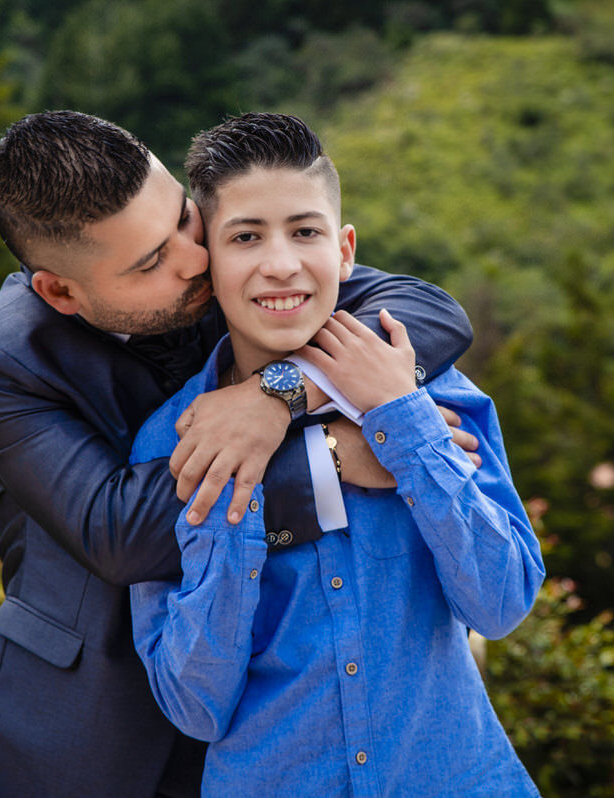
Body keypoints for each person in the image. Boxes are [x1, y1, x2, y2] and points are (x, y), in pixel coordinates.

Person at [0, 110, 477, 797]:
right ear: (61, 291)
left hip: (281, 718)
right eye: (151, 261)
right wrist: (333, 461)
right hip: (90, 726)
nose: (196, 260)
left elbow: (426, 312)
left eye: (184, 222)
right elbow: (120, 532)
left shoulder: (228, 265)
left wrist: (280, 392)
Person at [128, 113, 545, 796]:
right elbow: (193, 706)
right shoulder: (170, 441)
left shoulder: (430, 386)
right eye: (246, 237)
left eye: (306, 231)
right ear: (209, 265)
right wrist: (244, 491)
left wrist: (403, 422)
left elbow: (501, 603)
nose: (282, 263)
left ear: (345, 249)